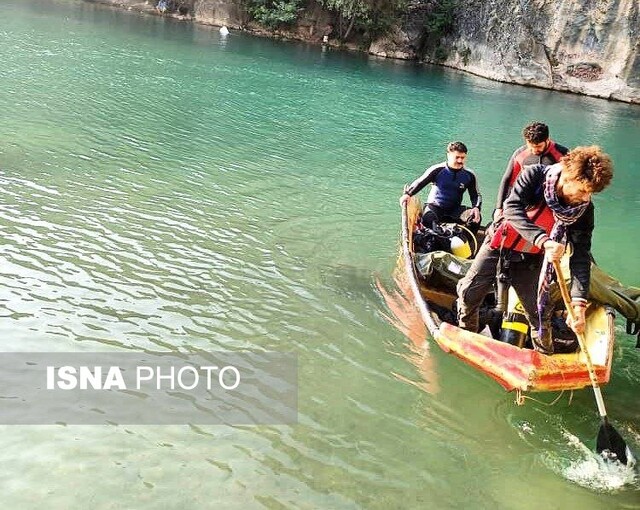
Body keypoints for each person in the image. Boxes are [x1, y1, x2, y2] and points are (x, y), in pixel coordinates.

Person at [456, 146, 613, 354]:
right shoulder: (534, 176)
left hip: (531, 260)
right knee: (468, 295)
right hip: (499, 246)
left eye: (590, 193)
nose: (585, 198)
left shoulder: (583, 210)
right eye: (583, 190)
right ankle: (468, 340)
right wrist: (543, 240)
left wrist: (579, 304)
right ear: (567, 177)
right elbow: (512, 208)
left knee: (538, 314)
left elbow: (581, 256)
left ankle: (544, 355)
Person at [494, 122, 568, 222]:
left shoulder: (562, 154)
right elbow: (508, 180)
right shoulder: (520, 153)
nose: (534, 150)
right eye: (531, 146)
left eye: (538, 146)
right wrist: (499, 208)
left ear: (547, 140)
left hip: (549, 205)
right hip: (524, 203)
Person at [400, 141, 482, 230]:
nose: (460, 161)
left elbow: (475, 195)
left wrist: (476, 207)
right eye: (457, 157)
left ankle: (465, 241)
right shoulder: (437, 170)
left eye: (462, 158)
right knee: (427, 219)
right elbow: (420, 182)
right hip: (435, 207)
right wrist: (408, 194)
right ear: (448, 155)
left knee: (475, 218)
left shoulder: (469, 175)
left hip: (455, 210)